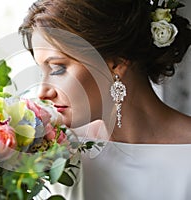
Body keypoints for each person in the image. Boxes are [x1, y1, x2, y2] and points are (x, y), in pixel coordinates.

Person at [19, 0, 191, 199]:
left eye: (58, 68)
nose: (43, 92)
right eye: (42, 72)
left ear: (116, 63)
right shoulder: (54, 150)